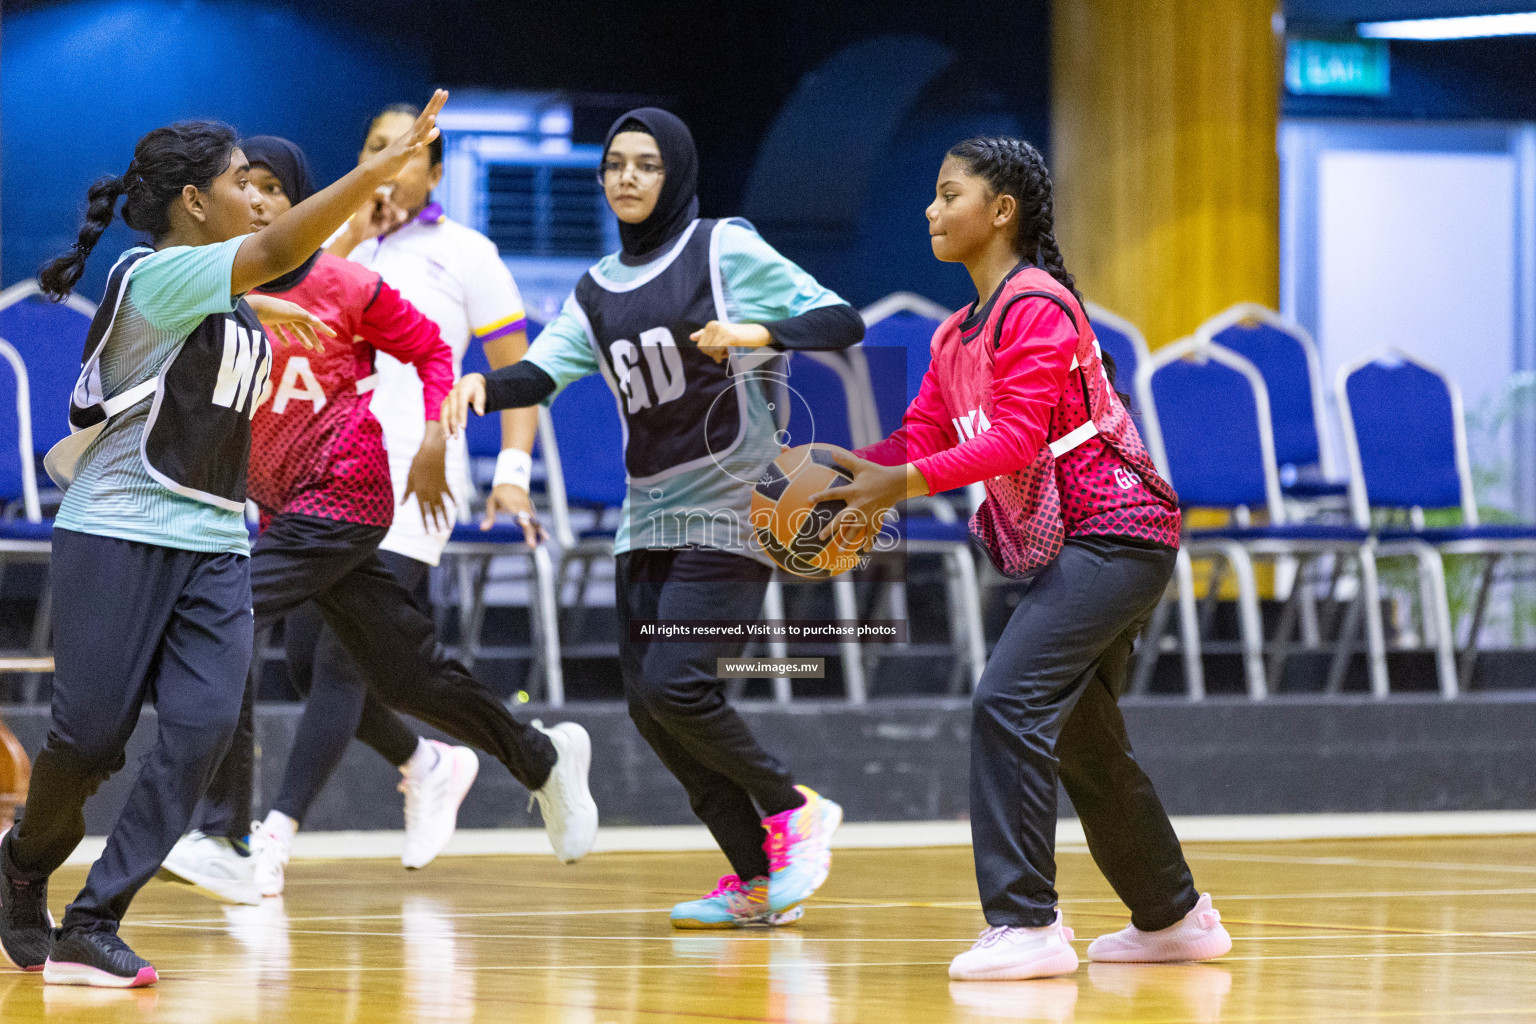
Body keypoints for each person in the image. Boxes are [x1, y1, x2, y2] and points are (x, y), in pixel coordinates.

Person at [0, 96, 446, 988]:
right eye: (246, 183)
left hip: (214, 543)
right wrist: (377, 173)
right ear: (195, 202)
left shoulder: (228, 299)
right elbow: (274, 256)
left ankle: (95, 920)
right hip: (117, 531)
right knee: (91, 743)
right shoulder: (154, 271)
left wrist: (261, 317)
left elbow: (250, 293)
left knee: (203, 730)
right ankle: (20, 865)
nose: (263, 200)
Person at [812, 137, 1232, 980]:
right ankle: (1175, 917)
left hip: (1119, 533)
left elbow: (1011, 441)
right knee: (1082, 737)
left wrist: (896, 484)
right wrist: (852, 473)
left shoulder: (1035, 305)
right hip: (1083, 544)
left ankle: (1027, 923)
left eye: (947, 193)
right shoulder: (955, 334)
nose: (930, 209)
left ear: (1001, 211)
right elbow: (925, 436)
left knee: (1006, 700)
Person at [443, 108, 861, 930]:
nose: (626, 177)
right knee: (649, 702)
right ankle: (755, 881)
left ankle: (795, 806)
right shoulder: (597, 288)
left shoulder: (721, 248)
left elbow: (842, 320)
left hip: (737, 506)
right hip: (650, 519)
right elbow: (542, 370)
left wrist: (758, 329)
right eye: (614, 165)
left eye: (646, 165)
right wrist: (487, 387)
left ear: (675, 174)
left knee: (679, 683)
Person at [158, 136, 597, 905]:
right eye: (245, 186)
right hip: (285, 506)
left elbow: (432, 349)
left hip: (347, 496)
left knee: (226, 613)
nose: (258, 201)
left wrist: (434, 433)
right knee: (403, 671)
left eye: (273, 188)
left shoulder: (347, 283)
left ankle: (228, 834)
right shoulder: (216, 286)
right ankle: (540, 758)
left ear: (298, 202)